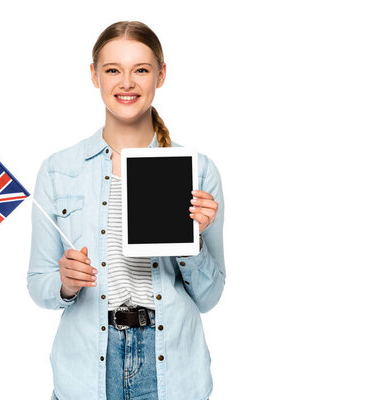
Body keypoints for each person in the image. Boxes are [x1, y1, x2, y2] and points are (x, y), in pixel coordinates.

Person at [27, 21, 226, 400]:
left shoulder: (198, 172)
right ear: (94, 75)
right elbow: (39, 282)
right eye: (113, 70)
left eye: (141, 69)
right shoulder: (59, 170)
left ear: (161, 75)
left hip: (171, 363)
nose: (127, 82)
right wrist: (66, 283)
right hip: (86, 364)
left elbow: (210, 297)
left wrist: (192, 240)